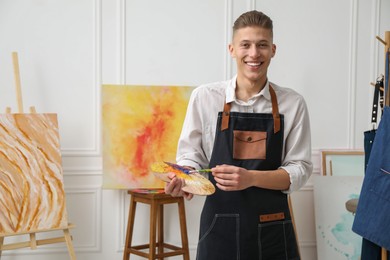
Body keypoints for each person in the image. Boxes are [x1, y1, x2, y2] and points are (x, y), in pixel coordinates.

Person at [165, 10, 312, 260]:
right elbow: (191, 157)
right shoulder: (205, 97)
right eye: (246, 45)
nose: (254, 54)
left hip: (272, 228)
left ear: (273, 50)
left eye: (262, 45)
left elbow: (299, 170)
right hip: (217, 229)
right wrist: (184, 181)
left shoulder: (293, 103)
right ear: (232, 49)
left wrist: (251, 177)